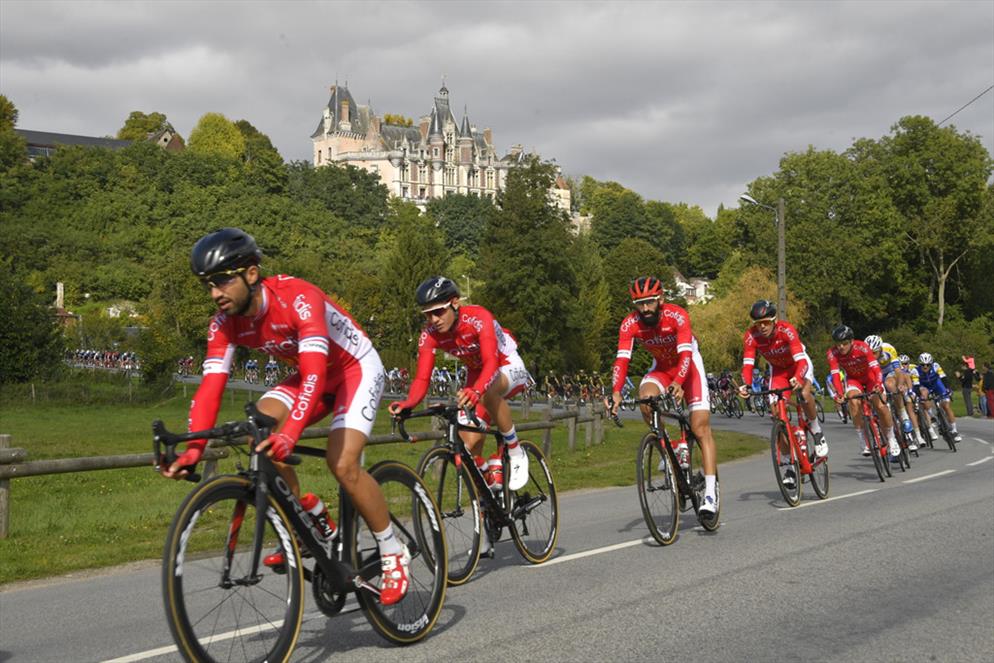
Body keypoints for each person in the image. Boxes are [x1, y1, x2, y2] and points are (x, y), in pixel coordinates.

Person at [159, 228, 410, 605]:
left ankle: (393, 551)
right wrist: (194, 448)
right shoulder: (224, 323)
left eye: (223, 280)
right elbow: (210, 387)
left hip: (354, 369)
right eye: (208, 284)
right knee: (255, 429)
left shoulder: (298, 299)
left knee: (342, 464)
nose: (215, 293)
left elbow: (315, 374)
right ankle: (309, 516)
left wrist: (291, 432)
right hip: (313, 376)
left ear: (251, 273)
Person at [389, 276, 532, 501]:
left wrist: (475, 391)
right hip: (478, 376)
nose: (433, 319)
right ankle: (490, 490)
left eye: (438, 312)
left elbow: (491, 363)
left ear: (455, 303)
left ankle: (515, 452)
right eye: (427, 314)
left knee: (487, 391)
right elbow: (421, 379)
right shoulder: (430, 334)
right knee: (468, 446)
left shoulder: (478, 318)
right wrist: (408, 403)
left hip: (505, 365)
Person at [606, 276, 719, 518]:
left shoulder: (676, 316)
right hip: (662, 368)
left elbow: (686, 355)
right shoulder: (629, 324)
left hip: (689, 367)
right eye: (639, 304)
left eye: (649, 302)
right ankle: (671, 450)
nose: (645, 309)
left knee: (700, 428)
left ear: (661, 299)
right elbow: (622, 360)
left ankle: (710, 492)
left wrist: (679, 382)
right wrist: (615, 391)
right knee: (646, 400)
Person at [738, 300, 827, 489]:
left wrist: (797, 377)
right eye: (758, 323)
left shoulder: (786, 330)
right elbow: (747, 365)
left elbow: (802, 362)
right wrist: (745, 384)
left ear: (774, 320)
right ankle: (788, 466)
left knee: (803, 394)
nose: (761, 327)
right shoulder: (751, 337)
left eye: (765, 322)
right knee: (777, 416)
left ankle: (816, 431)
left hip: (798, 365)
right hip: (778, 371)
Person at [826, 325, 901, 459]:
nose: (841, 347)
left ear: (852, 341)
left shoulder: (862, 347)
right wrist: (838, 393)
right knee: (853, 400)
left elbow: (876, 368)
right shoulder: (832, 353)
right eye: (838, 344)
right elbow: (835, 375)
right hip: (854, 380)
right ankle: (863, 440)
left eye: (845, 343)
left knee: (881, 406)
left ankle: (891, 438)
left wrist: (878, 384)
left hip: (870, 377)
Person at [864, 335, 925, 450]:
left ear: (880, 349)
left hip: (889, 372)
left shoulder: (889, 349)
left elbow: (898, 371)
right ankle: (889, 443)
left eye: (875, 352)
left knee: (891, 385)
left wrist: (901, 385)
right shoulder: (865, 356)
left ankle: (903, 415)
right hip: (875, 375)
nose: (873, 356)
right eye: (870, 353)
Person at [916, 353, 964, 443]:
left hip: (937, 385)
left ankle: (955, 431)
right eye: (923, 365)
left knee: (946, 406)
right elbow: (916, 385)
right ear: (919, 364)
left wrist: (948, 389)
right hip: (925, 387)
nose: (925, 367)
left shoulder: (936, 366)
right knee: (924, 399)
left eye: (927, 365)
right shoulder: (916, 370)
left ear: (931, 364)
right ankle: (933, 417)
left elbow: (943, 377)